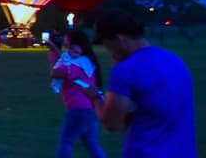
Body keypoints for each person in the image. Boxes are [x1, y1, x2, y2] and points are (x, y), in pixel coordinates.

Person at [79, 10, 196, 156]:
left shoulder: (125, 69)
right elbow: (158, 112)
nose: (109, 51)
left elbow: (112, 124)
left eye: (107, 45)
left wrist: (95, 97)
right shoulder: (174, 60)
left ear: (120, 39)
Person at [49, 30, 106, 158]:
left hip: (78, 109)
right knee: (91, 143)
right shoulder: (87, 61)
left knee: (66, 142)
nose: (66, 46)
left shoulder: (74, 64)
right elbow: (65, 60)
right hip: (91, 108)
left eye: (68, 44)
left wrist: (52, 59)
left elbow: (55, 73)